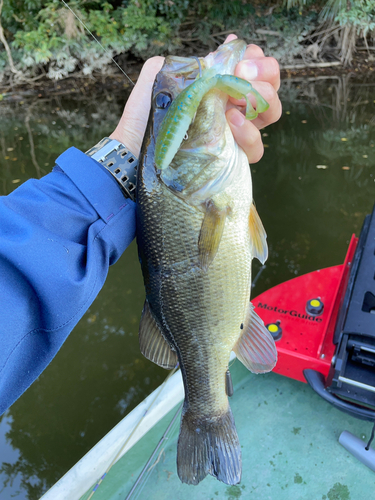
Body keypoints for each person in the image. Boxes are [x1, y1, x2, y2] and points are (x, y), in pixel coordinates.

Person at [0, 36, 282, 416]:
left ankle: (208, 401)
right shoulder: (201, 186)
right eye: (163, 103)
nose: (172, 101)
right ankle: (209, 409)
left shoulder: (197, 179)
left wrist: (129, 146)